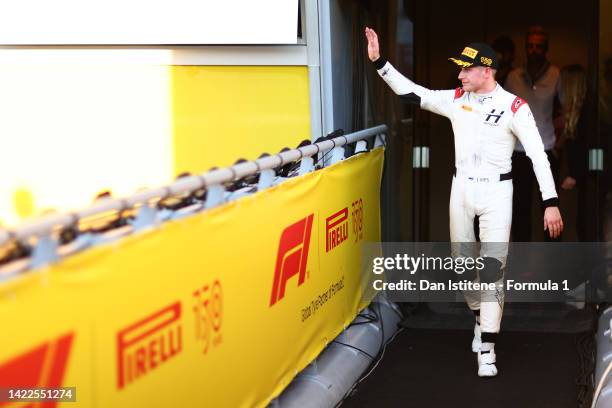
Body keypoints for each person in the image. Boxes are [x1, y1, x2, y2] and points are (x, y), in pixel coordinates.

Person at [364, 26, 563, 377]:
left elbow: (537, 155)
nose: (459, 74)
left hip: (498, 192)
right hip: (462, 189)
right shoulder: (457, 99)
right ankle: (478, 317)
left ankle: (487, 346)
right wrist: (380, 62)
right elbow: (414, 94)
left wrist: (550, 200)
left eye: (466, 69)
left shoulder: (514, 106)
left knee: (493, 268)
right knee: (461, 265)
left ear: (487, 71)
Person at [505, 26, 563, 242]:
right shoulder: (513, 76)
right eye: (530, 46)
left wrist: (560, 143)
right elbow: (504, 112)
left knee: (550, 207)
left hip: (547, 148)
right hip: (519, 151)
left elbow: (568, 110)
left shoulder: (556, 74)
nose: (534, 50)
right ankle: (522, 265)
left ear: (545, 49)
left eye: (539, 46)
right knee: (520, 207)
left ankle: (552, 265)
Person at [558, 65, 588, 241]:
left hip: (588, 176)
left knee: (586, 219)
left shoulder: (586, 112)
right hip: (581, 174)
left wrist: (575, 173)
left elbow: (590, 147)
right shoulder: (574, 112)